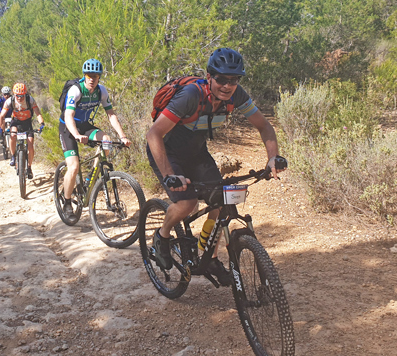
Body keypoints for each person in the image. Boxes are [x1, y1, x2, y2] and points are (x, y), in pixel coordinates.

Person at [146, 48, 284, 285]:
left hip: (196, 152)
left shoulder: (237, 96)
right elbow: (154, 134)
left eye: (233, 80)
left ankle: (209, 257)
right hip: (168, 152)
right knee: (187, 203)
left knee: (222, 199)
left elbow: (265, 127)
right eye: (221, 79)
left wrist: (273, 158)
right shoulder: (190, 95)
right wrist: (169, 174)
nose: (227, 85)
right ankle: (162, 235)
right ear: (209, 76)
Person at [59, 58, 131, 221]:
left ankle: (90, 177)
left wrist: (123, 136)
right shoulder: (76, 90)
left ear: (99, 77)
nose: (92, 78)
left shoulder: (101, 91)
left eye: (95, 76)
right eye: (89, 75)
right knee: (74, 166)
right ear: (84, 75)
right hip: (67, 128)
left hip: (85, 126)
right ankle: (67, 201)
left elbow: (111, 114)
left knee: (106, 139)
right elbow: (68, 115)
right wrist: (76, 135)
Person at [0, 83, 45, 179]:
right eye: (17, 95)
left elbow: (38, 113)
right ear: (14, 94)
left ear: (25, 94)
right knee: (13, 136)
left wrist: (42, 124)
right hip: (16, 122)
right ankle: (13, 156)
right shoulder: (10, 101)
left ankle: (29, 167)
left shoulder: (30, 100)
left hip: (27, 123)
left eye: (22, 96)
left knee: (30, 146)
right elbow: (1, 116)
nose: (19, 98)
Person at [0, 86, 13, 155]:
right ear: (2, 94)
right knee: (2, 123)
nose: (6, 96)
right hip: (2, 115)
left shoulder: (12, 98)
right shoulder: (0, 99)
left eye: (8, 94)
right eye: (5, 94)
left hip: (11, 115)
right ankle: (2, 137)